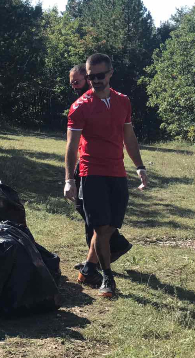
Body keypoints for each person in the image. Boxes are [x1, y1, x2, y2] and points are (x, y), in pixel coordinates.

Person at [64, 53, 147, 298]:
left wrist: (139, 166)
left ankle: (89, 268)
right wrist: (69, 179)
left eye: (100, 76)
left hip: (117, 172)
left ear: (111, 73)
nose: (96, 81)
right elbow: (71, 146)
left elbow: (129, 137)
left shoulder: (123, 102)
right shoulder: (80, 107)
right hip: (92, 172)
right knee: (100, 226)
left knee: (110, 226)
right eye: (91, 77)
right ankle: (107, 279)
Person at [69, 64, 133, 272]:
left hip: (103, 166)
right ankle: (95, 259)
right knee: (90, 213)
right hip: (88, 164)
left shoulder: (114, 100)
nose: (76, 85)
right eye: (73, 83)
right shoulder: (82, 102)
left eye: (77, 81)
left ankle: (97, 258)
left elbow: (125, 134)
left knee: (93, 215)